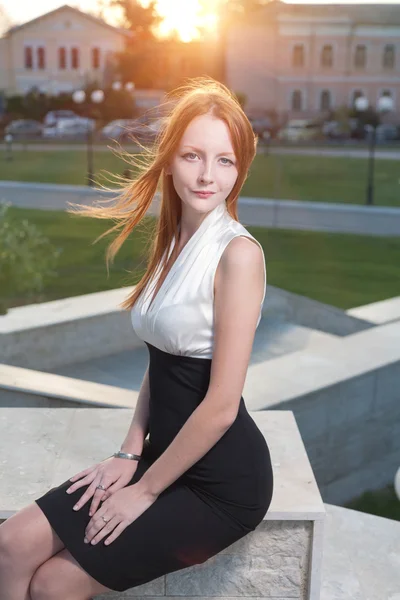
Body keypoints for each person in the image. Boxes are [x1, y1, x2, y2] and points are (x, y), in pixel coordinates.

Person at [0, 77, 274, 599]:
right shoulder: (173, 240)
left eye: (225, 161)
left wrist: (143, 491)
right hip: (160, 456)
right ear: (170, 158)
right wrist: (129, 452)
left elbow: (220, 406)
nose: (207, 175)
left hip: (219, 484)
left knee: (55, 584)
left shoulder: (238, 255)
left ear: (240, 169)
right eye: (194, 155)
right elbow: (164, 359)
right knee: (11, 544)